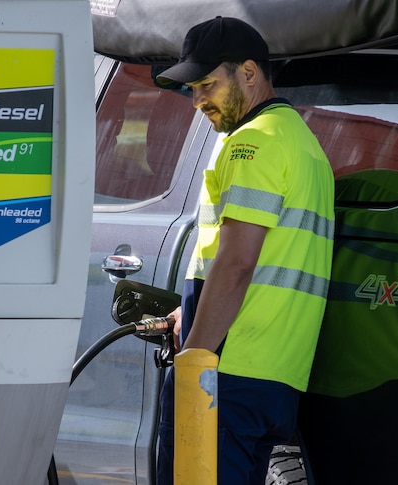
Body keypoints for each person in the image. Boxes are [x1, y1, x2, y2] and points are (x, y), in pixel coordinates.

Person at [154, 16, 335, 485]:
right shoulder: (303, 141)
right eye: (192, 89)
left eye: (208, 85)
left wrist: (193, 359)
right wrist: (186, 311)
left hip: (227, 371)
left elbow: (236, 264)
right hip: (277, 373)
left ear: (249, 73)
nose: (198, 101)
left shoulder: (251, 142)